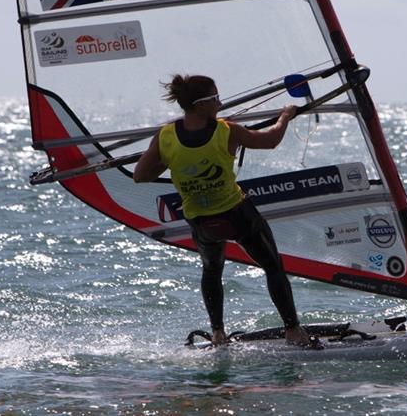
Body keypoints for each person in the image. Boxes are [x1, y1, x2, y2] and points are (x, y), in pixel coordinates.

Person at [133, 74, 318, 348]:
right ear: (201, 105)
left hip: (200, 221)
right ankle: (292, 329)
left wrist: (170, 160)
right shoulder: (226, 130)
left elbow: (140, 175)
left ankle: (218, 333)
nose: (220, 103)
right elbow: (269, 141)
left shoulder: (166, 136)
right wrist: (286, 116)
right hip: (236, 214)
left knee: (212, 269)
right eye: (215, 99)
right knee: (272, 266)